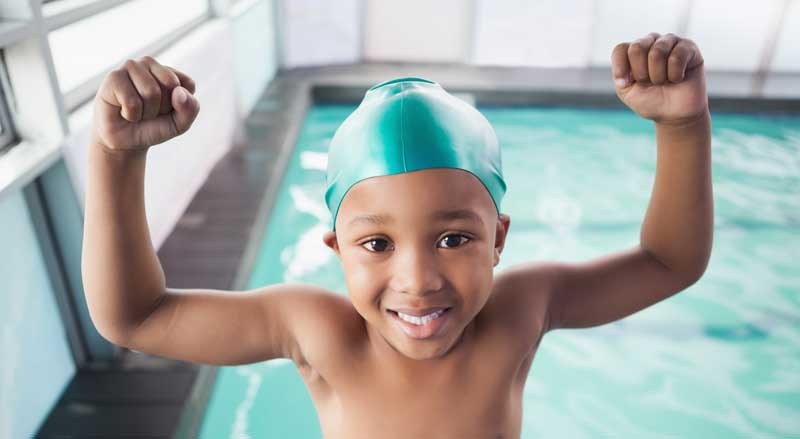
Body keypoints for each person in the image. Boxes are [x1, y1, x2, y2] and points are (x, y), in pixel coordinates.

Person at [82, 32, 713, 438]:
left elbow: (669, 261)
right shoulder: (315, 331)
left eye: (453, 239)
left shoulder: (523, 307)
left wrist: (683, 126)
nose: (417, 282)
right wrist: (116, 158)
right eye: (378, 244)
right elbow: (136, 318)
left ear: (498, 238)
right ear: (336, 250)